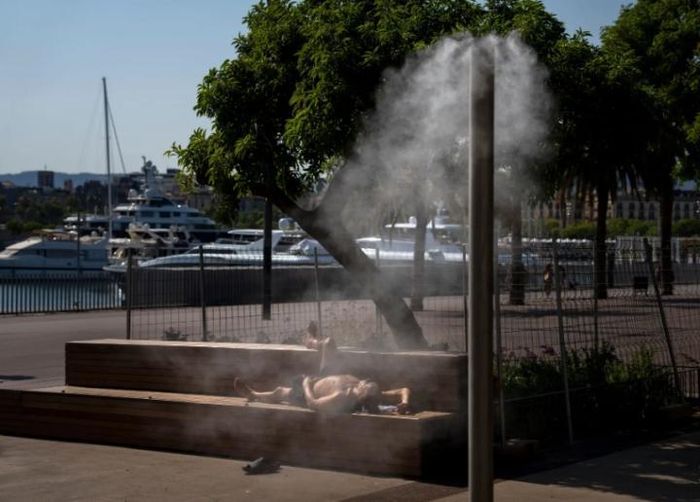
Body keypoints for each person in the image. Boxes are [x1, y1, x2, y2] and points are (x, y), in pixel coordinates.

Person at [234, 374, 411, 415]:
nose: (366, 380)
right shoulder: (360, 386)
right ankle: (254, 394)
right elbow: (404, 389)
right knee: (280, 390)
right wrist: (405, 402)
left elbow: (314, 404)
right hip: (314, 382)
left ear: (364, 390)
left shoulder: (342, 396)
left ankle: (253, 395)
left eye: (367, 383)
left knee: (280, 392)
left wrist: (306, 385)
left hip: (307, 393)